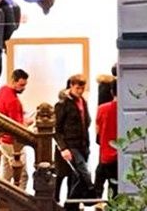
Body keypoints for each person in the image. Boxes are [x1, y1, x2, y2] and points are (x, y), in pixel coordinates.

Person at [53, 73, 96, 202]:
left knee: (74, 177)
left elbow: (86, 122)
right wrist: (63, 147)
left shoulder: (82, 101)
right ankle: (92, 193)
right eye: (78, 88)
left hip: (82, 143)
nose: (80, 91)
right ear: (71, 86)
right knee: (81, 172)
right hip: (69, 144)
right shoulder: (63, 104)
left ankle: (71, 204)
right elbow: (57, 128)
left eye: (82, 88)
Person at [93, 74, 118, 196]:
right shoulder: (125, 110)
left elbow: (97, 130)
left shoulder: (102, 109)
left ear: (112, 92)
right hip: (120, 155)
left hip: (106, 153)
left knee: (102, 177)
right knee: (115, 189)